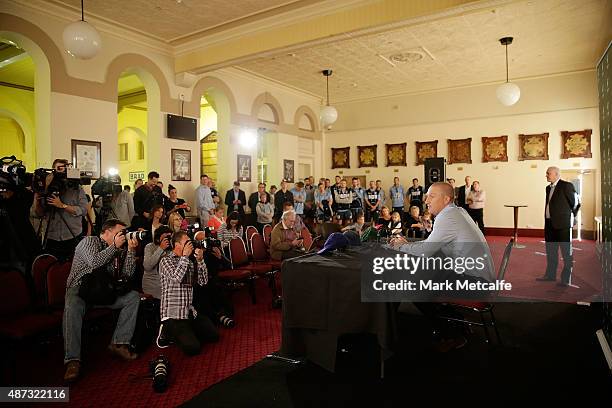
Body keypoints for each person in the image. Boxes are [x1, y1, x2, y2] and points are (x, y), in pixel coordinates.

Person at [389, 182, 494, 351]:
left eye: (431, 196)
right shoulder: (455, 212)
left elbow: (427, 251)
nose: (425, 200)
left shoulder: (448, 216)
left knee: (413, 287)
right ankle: (456, 322)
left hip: (476, 282)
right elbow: (435, 247)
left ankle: (452, 334)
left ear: (446, 199)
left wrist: (401, 246)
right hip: (478, 277)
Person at [62, 219, 140, 382]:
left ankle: (119, 343)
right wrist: (114, 247)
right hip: (79, 288)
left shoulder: (117, 249)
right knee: (72, 306)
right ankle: (73, 360)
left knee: (132, 297)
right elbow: (95, 263)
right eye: (121, 232)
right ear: (107, 232)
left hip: (101, 292)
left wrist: (131, 251)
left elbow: (125, 275)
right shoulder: (89, 241)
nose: (124, 236)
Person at [158, 231, 219, 356]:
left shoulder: (189, 262)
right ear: (177, 245)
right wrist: (185, 257)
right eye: (187, 242)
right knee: (193, 349)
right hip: (173, 314)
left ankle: (187, 332)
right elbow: (177, 278)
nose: (190, 245)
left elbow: (203, 282)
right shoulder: (165, 261)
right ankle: (167, 330)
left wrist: (200, 261)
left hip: (189, 312)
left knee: (214, 336)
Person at [33, 158, 89, 260]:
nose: (61, 174)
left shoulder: (76, 189)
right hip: (51, 237)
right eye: (58, 170)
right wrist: (39, 195)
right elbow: (38, 214)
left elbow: (83, 210)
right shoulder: (45, 188)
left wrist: (62, 205)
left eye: (64, 170)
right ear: (53, 171)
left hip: (72, 236)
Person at [537, 166, 580, 287]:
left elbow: (576, 203)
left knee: (566, 253)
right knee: (551, 252)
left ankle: (566, 279)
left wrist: (572, 217)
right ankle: (550, 275)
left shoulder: (566, 186)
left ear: (556, 174)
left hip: (563, 226)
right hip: (550, 225)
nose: (546, 175)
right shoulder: (548, 188)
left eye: (548, 173)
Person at [142, 226, 172, 300]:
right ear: (158, 238)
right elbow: (147, 266)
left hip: (167, 284)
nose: (168, 240)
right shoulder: (150, 247)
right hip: (152, 284)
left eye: (170, 237)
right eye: (166, 237)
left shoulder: (172, 249)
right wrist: (161, 248)